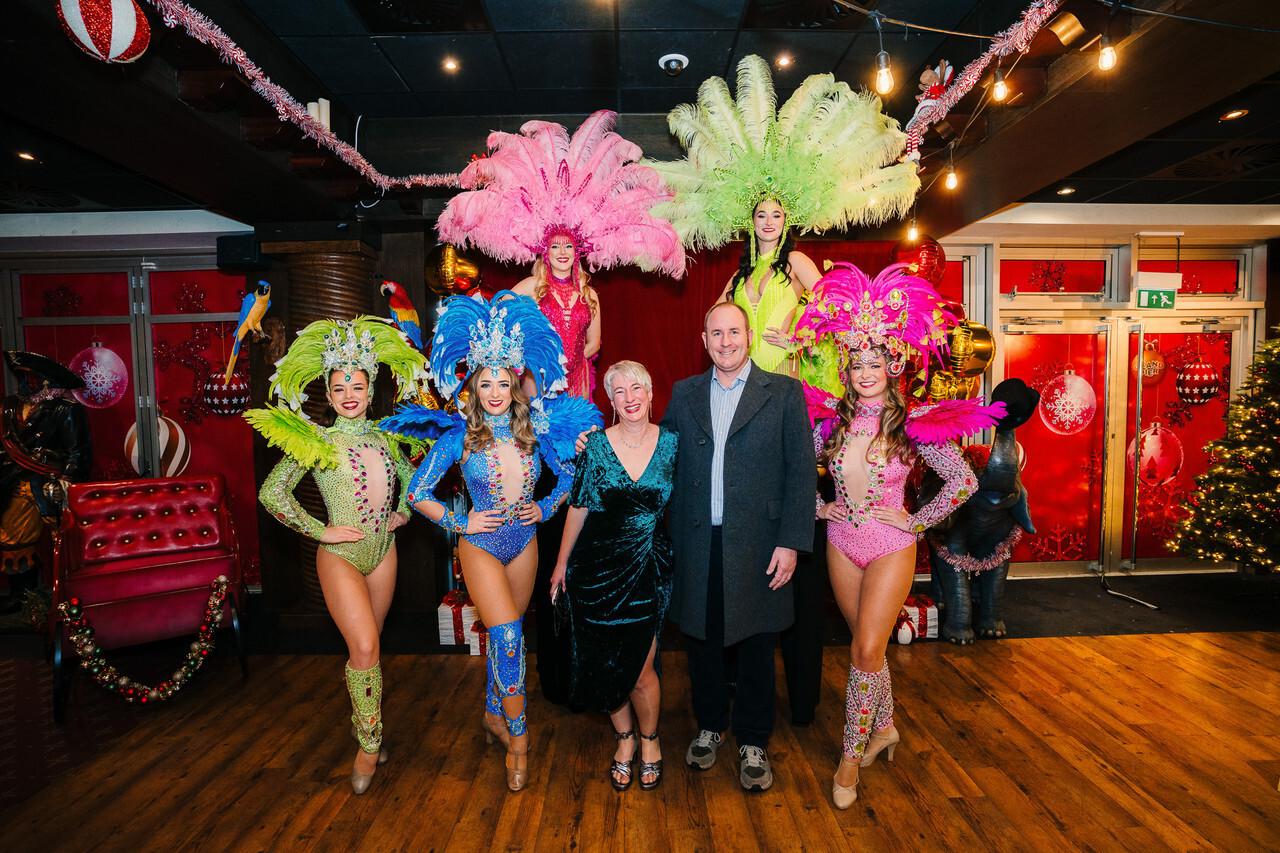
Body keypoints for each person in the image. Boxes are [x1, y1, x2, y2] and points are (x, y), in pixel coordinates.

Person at [436, 110, 683, 705]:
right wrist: (529, 377)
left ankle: (581, 638)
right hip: (533, 406)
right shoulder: (528, 289)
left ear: (581, 250)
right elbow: (501, 324)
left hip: (575, 402)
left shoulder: (592, 294)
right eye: (556, 247)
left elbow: (595, 344)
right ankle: (532, 665)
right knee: (534, 509)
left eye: (571, 247)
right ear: (545, 249)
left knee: (581, 501)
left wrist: (576, 369)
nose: (564, 254)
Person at [795, 262, 1004, 808]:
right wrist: (821, 508)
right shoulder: (830, 424)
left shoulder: (913, 424)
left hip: (891, 546)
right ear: (846, 368)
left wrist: (915, 519)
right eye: (857, 362)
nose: (866, 371)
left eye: (876, 361)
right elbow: (797, 474)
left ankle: (848, 760)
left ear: (893, 365)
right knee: (870, 646)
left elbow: (962, 480)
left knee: (864, 650)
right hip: (843, 543)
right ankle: (884, 728)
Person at [382, 291, 600, 793]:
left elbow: (569, 480)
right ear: (473, 386)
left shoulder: (534, 431)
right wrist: (461, 523)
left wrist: (544, 508)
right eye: (487, 382)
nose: (496, 390)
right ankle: (519, 740)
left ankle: (492, 715)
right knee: (504, 637)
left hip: (525, 544)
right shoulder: (457, 438)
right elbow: (416, 493)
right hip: (479, 546)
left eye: (504, 382)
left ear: (514, 385)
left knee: (514, 640)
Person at [247, 317, 425, 795]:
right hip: (340, 556)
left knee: (369, 647)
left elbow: (415, 487)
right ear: (327, 391)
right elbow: (272, 494)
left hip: (383, 553)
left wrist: (405, 514)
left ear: (371, 390)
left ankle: (363, 723)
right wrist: (318, 530)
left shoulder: (389, 439)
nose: (350, 393)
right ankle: (369, 745)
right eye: (340, 385)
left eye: (358, 385)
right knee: (365, 647)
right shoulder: (317, 440)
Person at [661, 301, 815, 791]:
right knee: (701, 641)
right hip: (697, 540)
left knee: (757, 643)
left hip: (762, 544)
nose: (725, 341)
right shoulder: (683, 395)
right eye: (716, 334)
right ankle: (710, 726)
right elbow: (662, 460)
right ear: (703, 341)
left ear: (748, 336)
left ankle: (752, 739)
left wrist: (792, 542)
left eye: (733, 331)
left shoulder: (785, 393)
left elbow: (800, 474)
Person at [550, 360, 677, 791]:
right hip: (597, 569)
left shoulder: (673, 444)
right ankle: (624, 739)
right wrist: (561, 563)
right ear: (610, 401)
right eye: (619, 391)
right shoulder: (596, 448)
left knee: (641, 667)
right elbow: (579, 506)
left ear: (650, 392)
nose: (629, 397)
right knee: (607, 664)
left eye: (636, 388)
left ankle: (650, 740)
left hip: (649, 568)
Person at [0, 351, 91, 612]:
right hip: (16, 479)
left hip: (49, 482)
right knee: (13, 538)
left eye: (30, 377)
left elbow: (78, 450)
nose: (25, 382)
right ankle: (24, 594)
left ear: (45, 381)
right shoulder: (10, 408)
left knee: (63, 538)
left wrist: (66, 481)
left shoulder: (65, 409)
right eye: (21, 376)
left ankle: (65, 590)